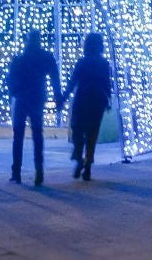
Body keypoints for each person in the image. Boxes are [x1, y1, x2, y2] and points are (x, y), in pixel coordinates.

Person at [6, 30, 61, 185]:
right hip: (36, 98)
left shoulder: (20, 58)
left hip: (22, 98)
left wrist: (14, 92)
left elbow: (10, 79)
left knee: (19, 136)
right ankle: (38, 171)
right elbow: (55, 77)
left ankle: (16, 172)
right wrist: (58, 97)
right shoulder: (45, 57)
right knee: (37, 134)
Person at [62, 32, 115, 180]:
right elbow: (107, 83)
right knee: (92, 134)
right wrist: (108, 100)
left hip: (83, 98)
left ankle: (79, 157)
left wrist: (64, 98)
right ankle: (88, 166)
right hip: (98, 100)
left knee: (78, 129)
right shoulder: (104, 63)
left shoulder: (82, 62)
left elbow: (73, 81)